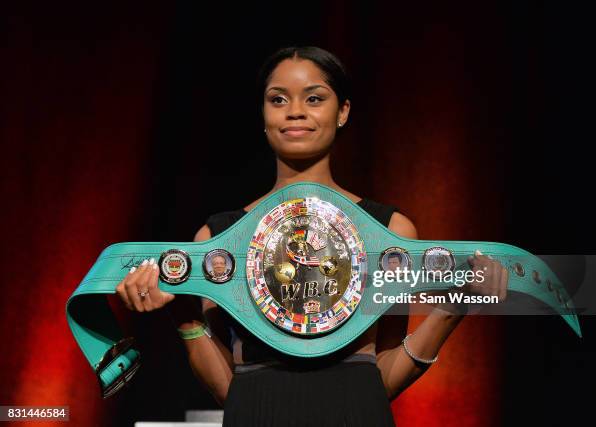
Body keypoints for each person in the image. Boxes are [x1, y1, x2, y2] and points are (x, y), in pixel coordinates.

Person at [115, 46, 509, 426]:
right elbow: (228, 391)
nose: (296, 112)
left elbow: (383, 377)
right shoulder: (220, 237)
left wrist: (455, 309)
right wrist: (181, 314)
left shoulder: (388, 231)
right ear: (263, 114)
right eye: (278, 99)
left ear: (343, 111)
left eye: (314, 98)